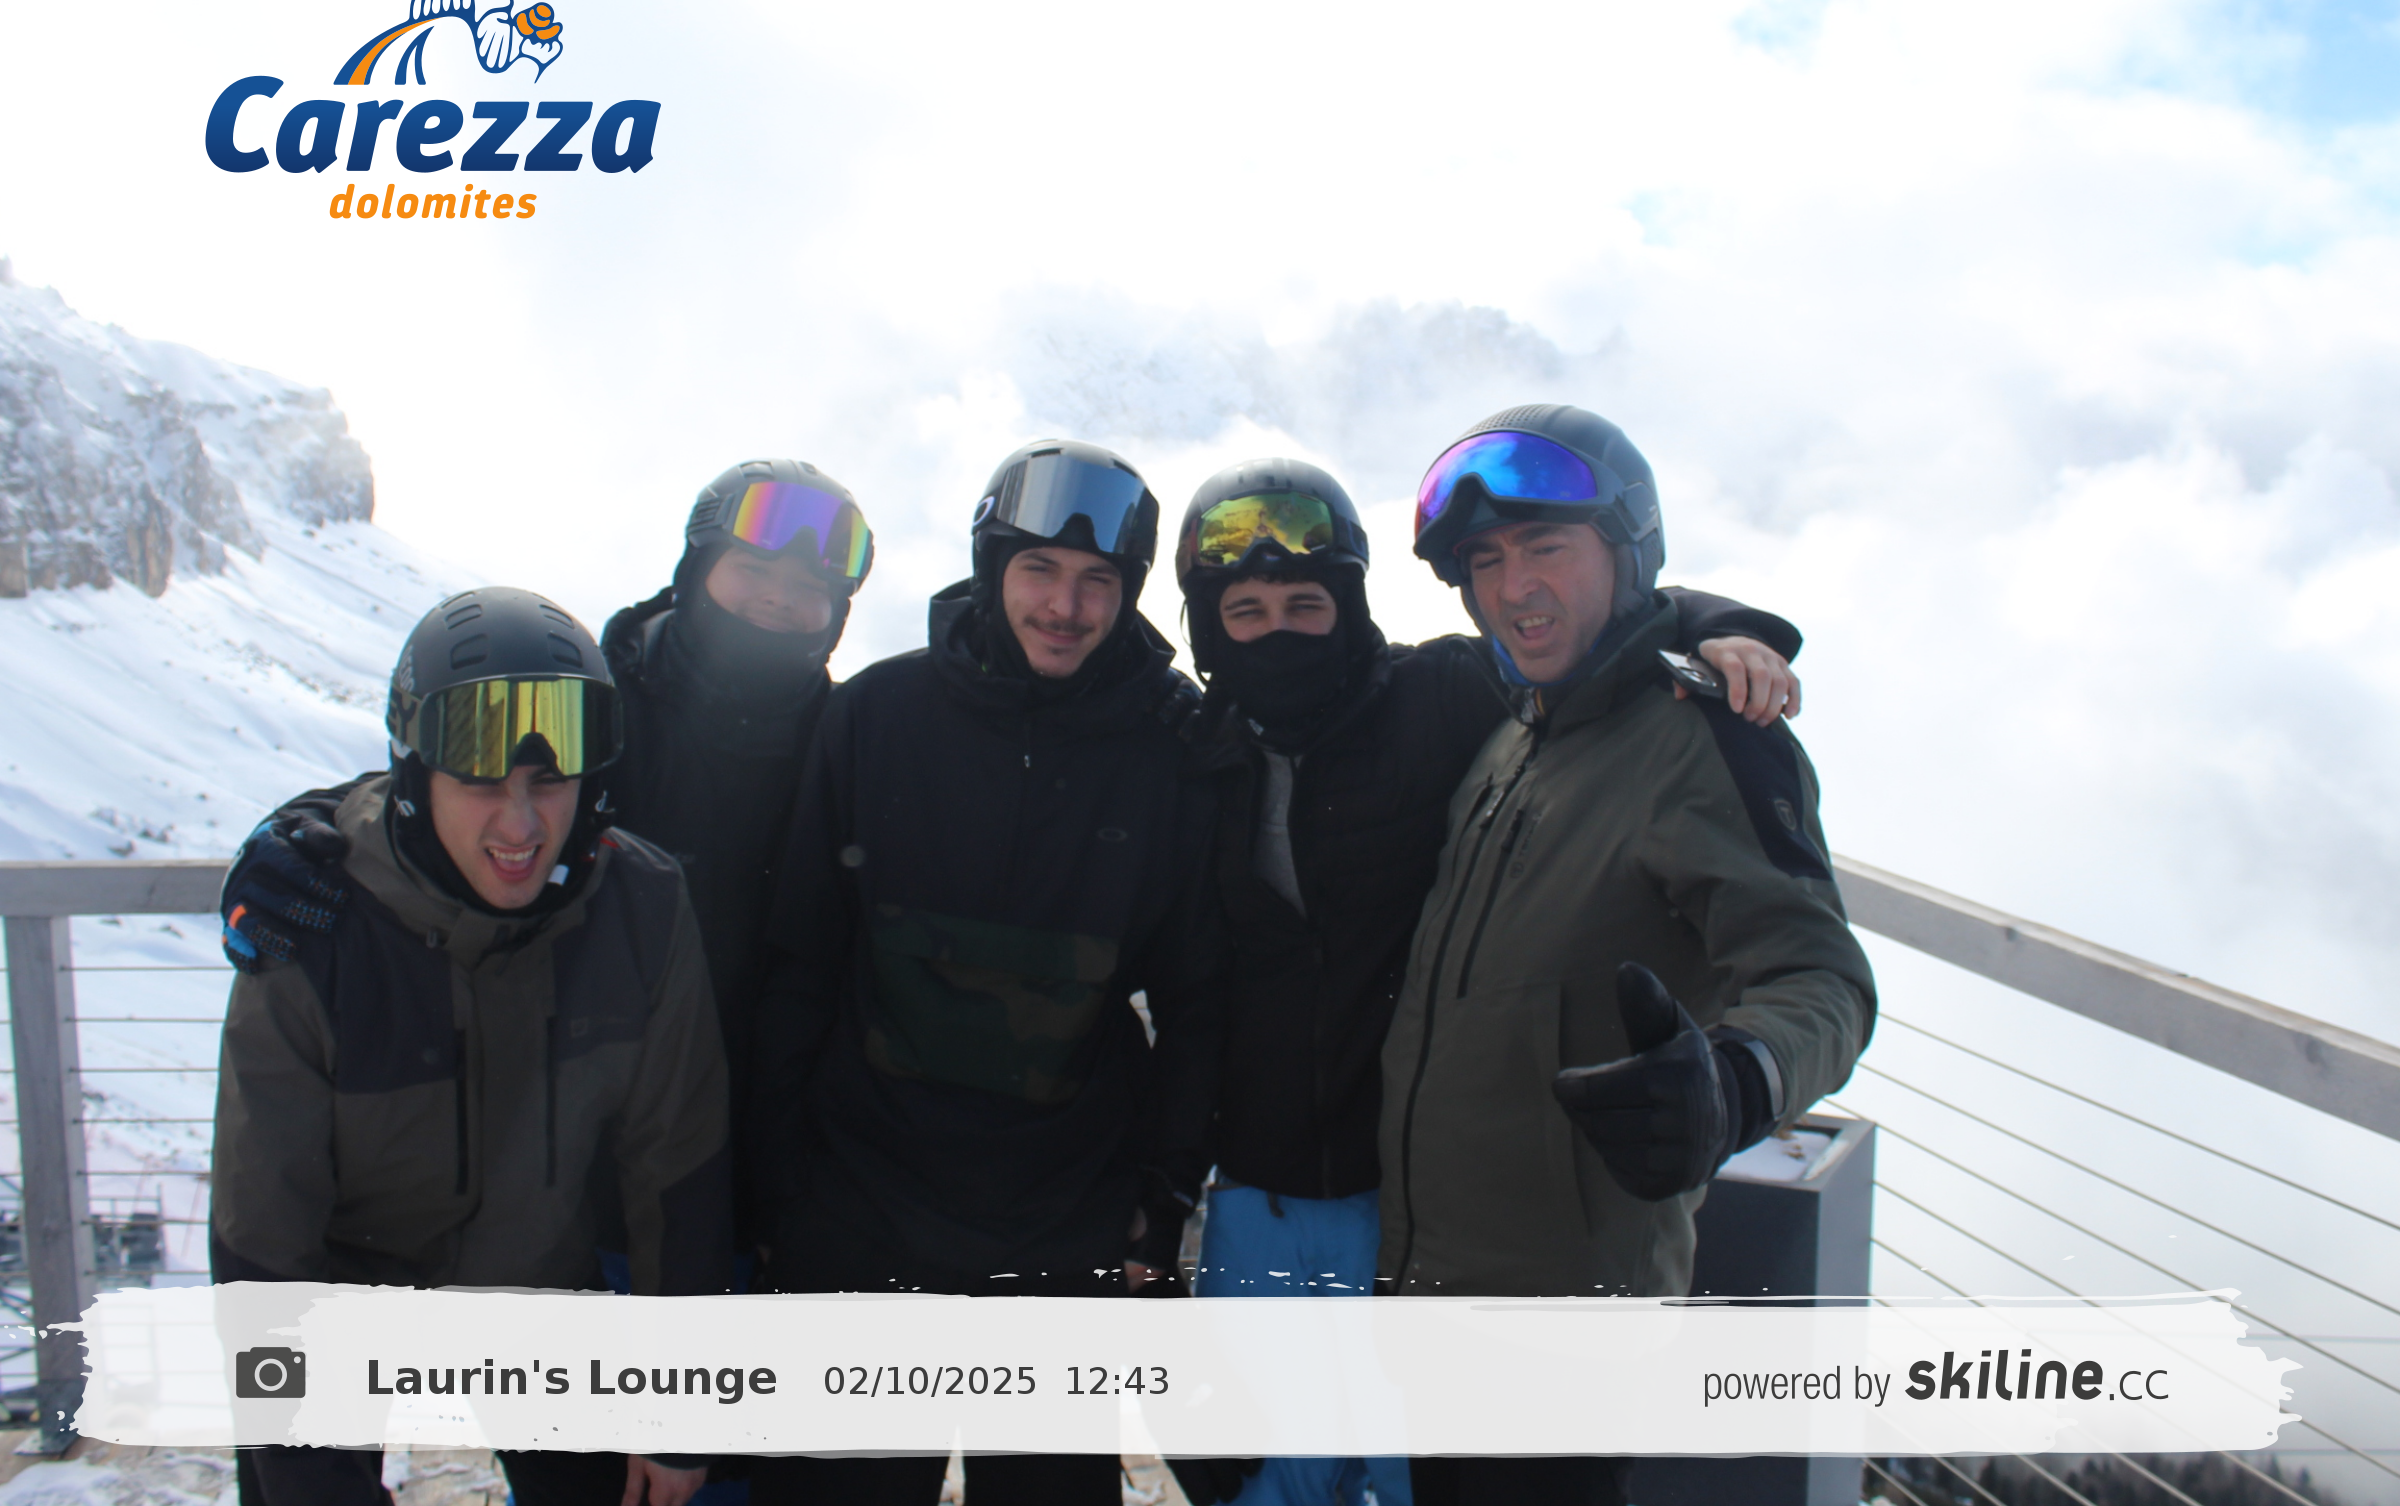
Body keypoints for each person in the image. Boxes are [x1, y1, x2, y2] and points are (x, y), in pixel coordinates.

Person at [1170, 458, 1803, 1506]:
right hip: (1256, 1203)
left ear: (1350, 607)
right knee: (1256, 1486)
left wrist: (1721, 627)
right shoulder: (1194, 752)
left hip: (1409, 1207)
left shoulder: (1445, 696)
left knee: (1410, 1480)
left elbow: (1589, 648)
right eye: (1246, 611)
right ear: (1208, 627)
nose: (1278, 633)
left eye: (1306, 606)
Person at [1376, 405, 1878, 1506]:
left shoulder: (1704, 738)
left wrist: (1736, 1083)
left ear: (1627, 550)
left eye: (1547, 547)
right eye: (1486, 561)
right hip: (1435, 1287)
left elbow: (1822, 978)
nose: (1515, 588)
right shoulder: (1518, 731)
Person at [748, 438, 1224, 1506]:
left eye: (1098, 580)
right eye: (1039, 570)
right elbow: (801, 963)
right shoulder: (875, 718)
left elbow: (1198, 1000)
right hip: (862, 1211)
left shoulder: (1171, 755)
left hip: (1063, 1227)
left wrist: (1161, 1199)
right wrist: (776, 1190)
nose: (1066, 607)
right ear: (991, 567)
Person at [211, 588, 733, 1506]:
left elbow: (676, 1168)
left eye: (549, 783)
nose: (521, 826)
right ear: (417, 780)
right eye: (482, 782)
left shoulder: (639, 906)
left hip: (536, 1292)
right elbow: (265, 1233)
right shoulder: (317, 918)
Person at [601, 459, 874, 1236]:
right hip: (572, 1153)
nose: (780, 599)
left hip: (760, 1162)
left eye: (811, 587)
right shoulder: (595, 709)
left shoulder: (851, 749)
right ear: (696, 569)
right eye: (753, 569)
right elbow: (456, 796)